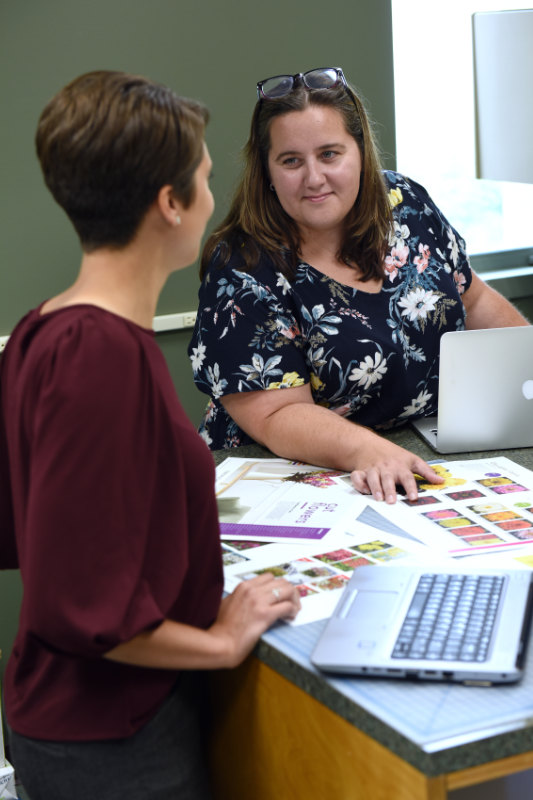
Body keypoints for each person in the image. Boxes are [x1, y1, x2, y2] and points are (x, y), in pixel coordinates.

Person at [0, 70, 300, 800]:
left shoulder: (46, 328)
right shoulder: (96, 358)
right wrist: (224, 641)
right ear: (169, 204)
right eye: (201, 179)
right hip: (112, 739)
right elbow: (84, 607)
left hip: (96, 722)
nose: (209, 198)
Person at [188, 66, 529, 505]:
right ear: (267, 171)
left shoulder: (405, 205)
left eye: (329, 154)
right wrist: (369, 450)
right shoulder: (242, 265)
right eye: (291, 161)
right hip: (284, 478)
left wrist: (529, 372)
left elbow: (473, 297)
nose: (313, 178)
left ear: (361, 152)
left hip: (414, 449)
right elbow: (277, 414)